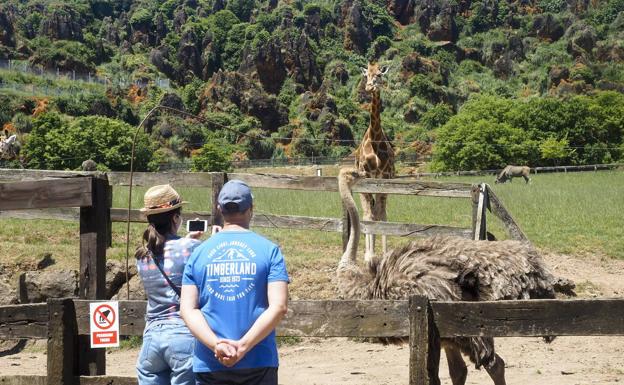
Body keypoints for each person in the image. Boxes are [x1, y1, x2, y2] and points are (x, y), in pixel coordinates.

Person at [180, 180, 289, 385]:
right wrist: (243, 347)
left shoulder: (198, 253)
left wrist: (216, 345)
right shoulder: (270, 250)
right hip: (258, 360)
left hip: (210, 362)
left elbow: (187, 310)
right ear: (251, 209)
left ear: (219, 209)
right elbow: (279, 307)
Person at [135, 184, 203, 385]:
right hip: (184, 334)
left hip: (152, 338)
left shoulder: (142, 255)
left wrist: (186, 240)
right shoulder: (192, 248)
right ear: (175, 218)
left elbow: (165, 253)